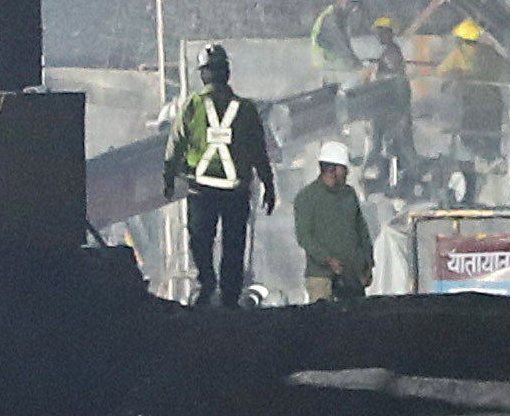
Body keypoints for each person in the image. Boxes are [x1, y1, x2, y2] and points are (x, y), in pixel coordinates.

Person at [161, 42, 275, 307]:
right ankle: (230, 295)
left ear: (203, 74)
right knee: (234, 244)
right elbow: (259, 150)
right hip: (236, 191)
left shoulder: (192, 106)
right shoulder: (245, 109)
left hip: (201, 191)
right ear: (227, 72)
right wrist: (268, 184)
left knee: (200, 241)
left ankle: (206, 284)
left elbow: (175, 145)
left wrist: (168, 178)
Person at [294, 141, 375, 301]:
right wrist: (327, 259)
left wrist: (368, 263)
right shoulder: (307, 197)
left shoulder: (349, 195)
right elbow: (304, 236)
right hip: (321, 278)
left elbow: (362, 231)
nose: (347, 173)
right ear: (332, 170)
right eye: (344, 169)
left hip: (352, 277)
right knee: (324, 322)